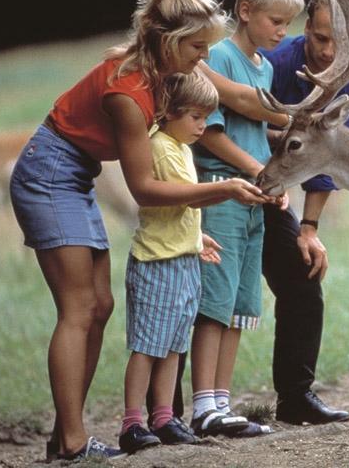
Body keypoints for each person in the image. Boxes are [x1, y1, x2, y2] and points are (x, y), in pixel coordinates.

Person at [9, 0, 275, 461]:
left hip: (75, 176)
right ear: (170, 41)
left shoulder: (160, 74)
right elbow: (145, 192)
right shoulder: (128, 92)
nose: (202, 56)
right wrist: (221, 190)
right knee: (78, 308)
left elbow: (229, 98)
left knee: (100, 305)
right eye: (197, 47)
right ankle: (70, 441)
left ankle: (65, 434)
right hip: (48, 175)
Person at [187, 0, 303, 437]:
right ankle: (201, 405)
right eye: (276, 21)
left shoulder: (263, 67)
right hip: (222, 193)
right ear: (246, 9)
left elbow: (260, 136)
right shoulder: (217, 59)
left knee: (238, 302)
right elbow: (210, 134)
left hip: (253, 198)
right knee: (215, 300)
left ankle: (222, 401)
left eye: (287, 23)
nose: (282, 32)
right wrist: (257, 170)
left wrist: (273, 183)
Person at [260, 0, 349, 424]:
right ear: (306, 28)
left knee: (303, 278)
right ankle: (167, 411)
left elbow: (330, 155)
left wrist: (309, 228)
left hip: (275, 194)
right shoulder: (275, 63)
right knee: (204, 294)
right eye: (321, 38)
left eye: (337, 43)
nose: (328, 52)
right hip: (227, 182)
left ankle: (295, 398)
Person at [117, 72, 225, 454]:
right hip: (157, 262)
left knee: (175, 345)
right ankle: (133, 422)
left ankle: (164, 417)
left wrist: (196, 240)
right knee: (149, 345)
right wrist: (226, 188)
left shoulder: (181, 147)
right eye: (195, 116)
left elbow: (179, 211)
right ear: (168, 112)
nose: (203, 126)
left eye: (206, 117)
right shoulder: (161, 145)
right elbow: (185, 196)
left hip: (182, 260)